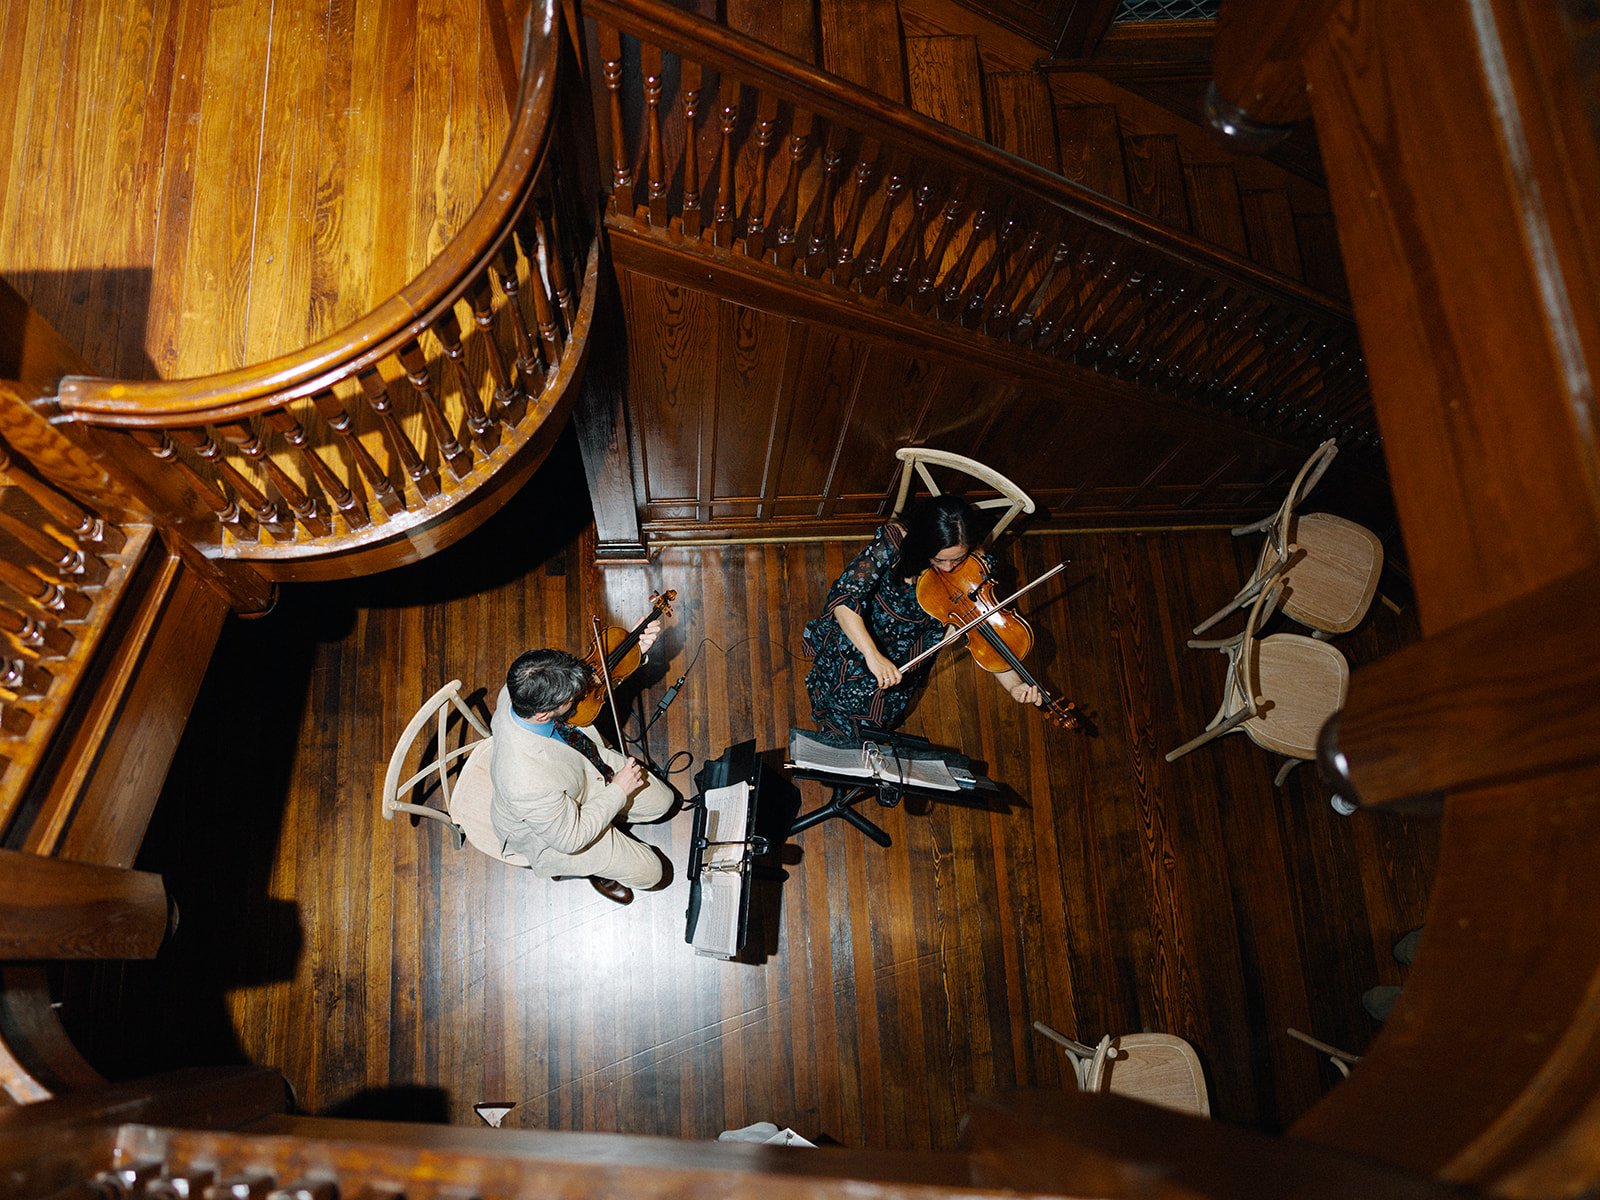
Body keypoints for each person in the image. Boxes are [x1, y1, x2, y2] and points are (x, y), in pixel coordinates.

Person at [802, 496, 1043, 743]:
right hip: (866, 632)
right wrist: (872, 654)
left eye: (957, 559)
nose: (949, 568)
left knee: (884, 703)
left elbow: (985, 635)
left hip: (915, 650)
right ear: (921, 544)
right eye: (939, 559)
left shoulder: (976, 566)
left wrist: (1014, 684)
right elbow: (844, 598)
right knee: (842, 693)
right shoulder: (895, 542)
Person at [489, 619, 674, 905]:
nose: (582, 695)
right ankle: (597, 870)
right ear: (542, 715)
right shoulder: (522, 781)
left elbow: (593, 678)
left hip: (582, 768)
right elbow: (571, 837)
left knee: (664, 802)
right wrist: (618, 791)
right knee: (654, 872)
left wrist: (631, 650)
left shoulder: (519, 687)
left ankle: (611, 820)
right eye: (572, 700)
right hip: (561, 832)